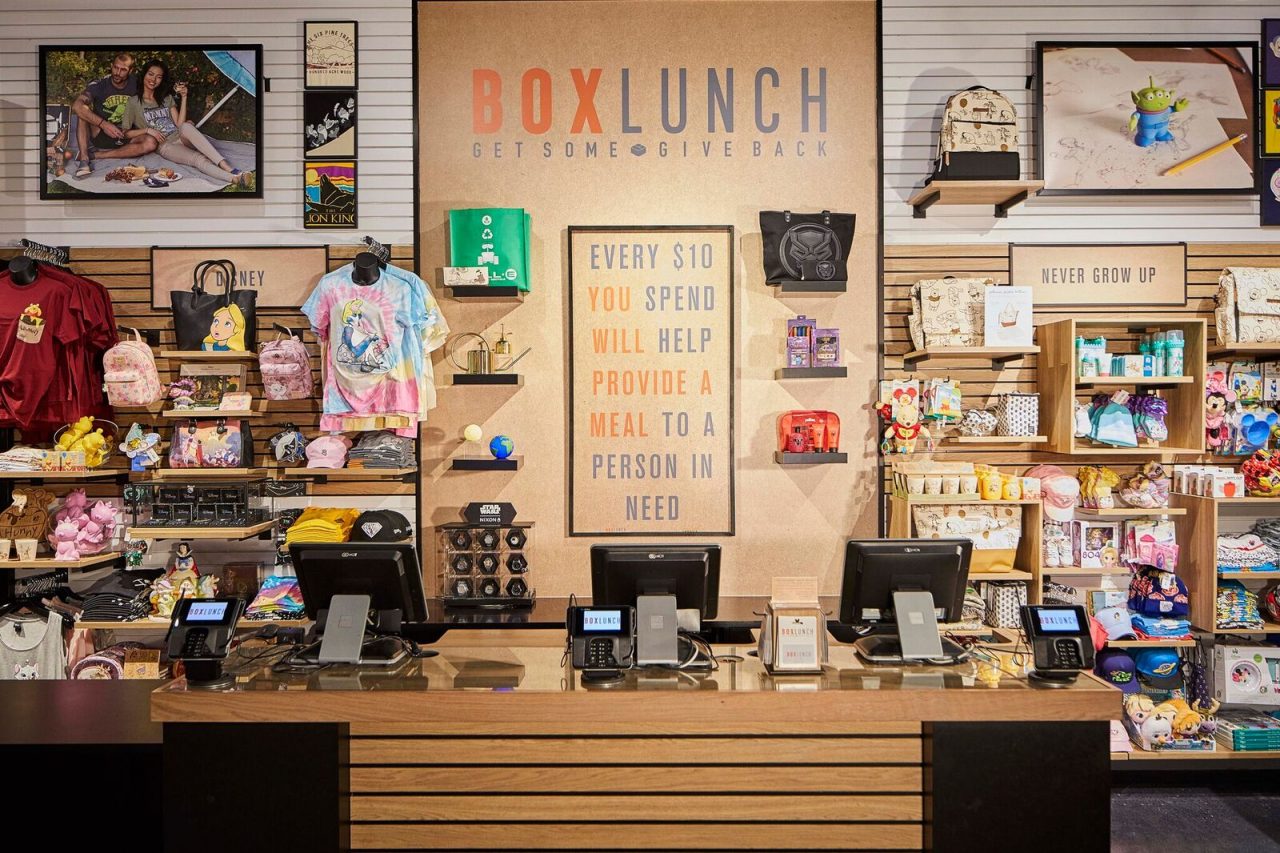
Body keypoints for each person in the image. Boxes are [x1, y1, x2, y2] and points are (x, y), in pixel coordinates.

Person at [119, 58, 254, 189]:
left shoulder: (166, 98)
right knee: (198, 159)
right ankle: (235, 179)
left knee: (186, 126)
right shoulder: (133, 102)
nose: (153, 80)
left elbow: (179, 124)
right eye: (150, 74)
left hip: (180, 136)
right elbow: (125, 133)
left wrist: (184, 97)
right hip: (166, 145)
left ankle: (229, 168)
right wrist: (147, 130)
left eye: (158, 77)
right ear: (144, 74)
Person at [71, 53, 159, 178]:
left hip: (126, 134)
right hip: (100, 133)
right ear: (111, 66)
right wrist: (104, 124)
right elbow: (77, 106)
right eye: (115, 68)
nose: (117, 73)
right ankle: (84, 159)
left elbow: (156, 99)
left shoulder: (138, 84)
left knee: (151, 143)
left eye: (123, 70)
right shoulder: (99, 84)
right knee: (83, 111)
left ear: (130, 70)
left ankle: (96, 155)